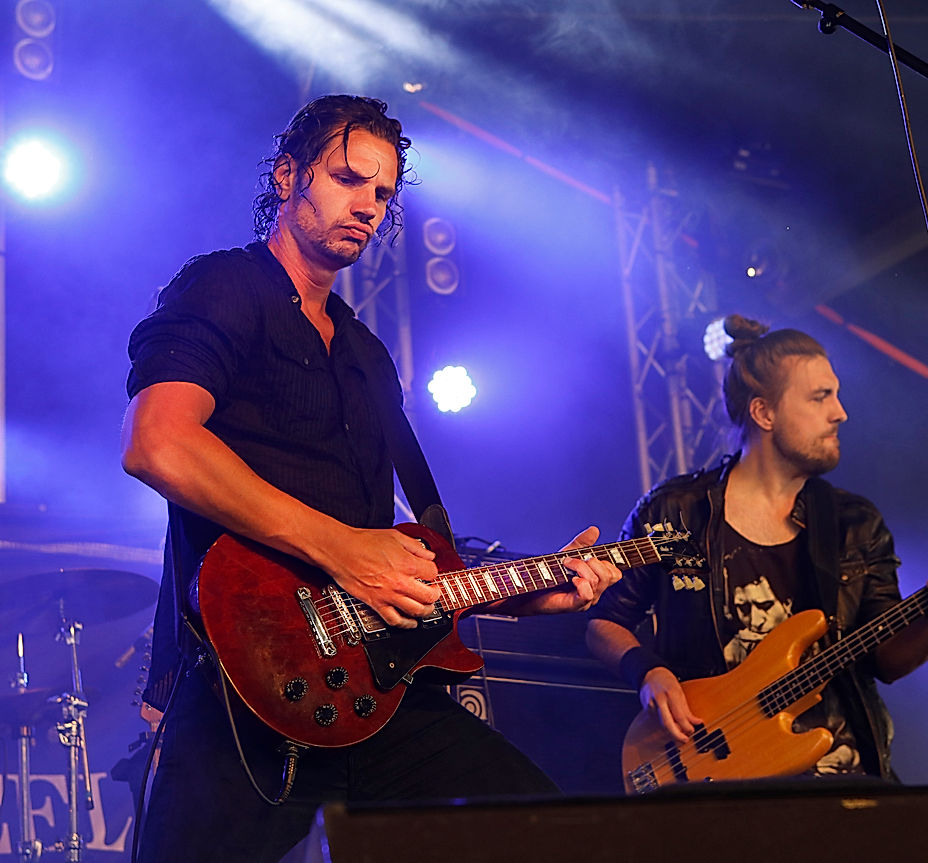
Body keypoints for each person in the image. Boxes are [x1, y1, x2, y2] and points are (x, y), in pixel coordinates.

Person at [121, 94, 621, 862]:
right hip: (243, 692)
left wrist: (521, 595)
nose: (369, 206)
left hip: (377, 698)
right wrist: (344, 549)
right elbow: (158, 443)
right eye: (349, 178)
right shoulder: (225, 287)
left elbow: (396, 566)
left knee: (550, 834)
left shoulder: (365, 355)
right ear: (288, 176)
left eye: (384, 193)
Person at [586, 315, 928, 780]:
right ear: (764, 413)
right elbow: (605, 621)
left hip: (842, 774)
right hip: (717, 770)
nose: (840, 412)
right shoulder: (677, 510)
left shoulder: (853, 523)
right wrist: (648, 674)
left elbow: (886, 660)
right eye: (820, 398)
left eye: (836, 395)